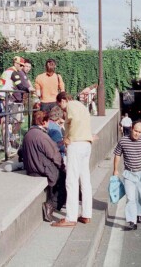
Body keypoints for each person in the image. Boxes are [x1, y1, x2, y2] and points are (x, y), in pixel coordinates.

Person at [51, 92, 93, 227]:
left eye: (61, 105)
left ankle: (70, 218)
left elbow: (75, 120)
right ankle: (86, 214)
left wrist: (68, 137)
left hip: (76, 144)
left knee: (71, 181)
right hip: (86, 143)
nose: (62, 109)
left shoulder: (71, 106)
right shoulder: (81, 106)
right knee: (85, 181)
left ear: (64, 100)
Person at [113, 119, 141, 230]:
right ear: (131, 129)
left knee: (140, 196)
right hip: (129, 173)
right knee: (130, 198)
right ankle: (132, 221)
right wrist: (115, 170)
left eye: (140, 132)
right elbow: (117, 155)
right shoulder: (123, 141)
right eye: (135, 131)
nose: (137, 133)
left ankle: (139, 213)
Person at [22, 111, 65, 221]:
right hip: (41, 168)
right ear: (44, 122)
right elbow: (53, 154)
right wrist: (62, 166)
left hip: (30, 168)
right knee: (63, 177)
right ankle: (52, 205)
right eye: (47, 122)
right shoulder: (42, 136)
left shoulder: (28, 134)